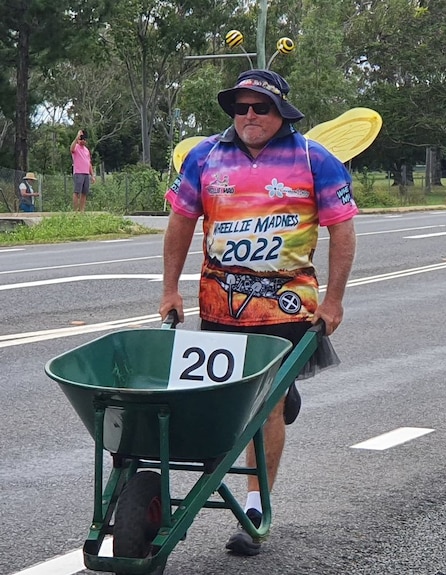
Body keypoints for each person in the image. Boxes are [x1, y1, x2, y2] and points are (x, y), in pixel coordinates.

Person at [159, 69, 357, 556]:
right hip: (219, 304)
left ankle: (253, 504)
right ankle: (278, 403)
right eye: (240, 107)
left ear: (281, 112)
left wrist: (333, 300)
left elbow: (343, 229)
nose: (249, 116)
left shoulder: (315, 158)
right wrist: (169, 290)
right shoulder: (205, 156)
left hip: (287, 306)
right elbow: (181, 222)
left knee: (264, 403)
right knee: (222, 403)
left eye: (260, 107)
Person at [70, 129, 95, 212]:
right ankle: (76, 210)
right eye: (81, 139)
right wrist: (77, 137)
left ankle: (82, 210)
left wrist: (92, 175)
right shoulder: (76, 147)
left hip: (86, 173)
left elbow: (89, 163)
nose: (83, 141)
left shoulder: (86, 150)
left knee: (84, 193)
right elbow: (71, 148)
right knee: (77, 192)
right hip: (78, 172)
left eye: (84, 139)